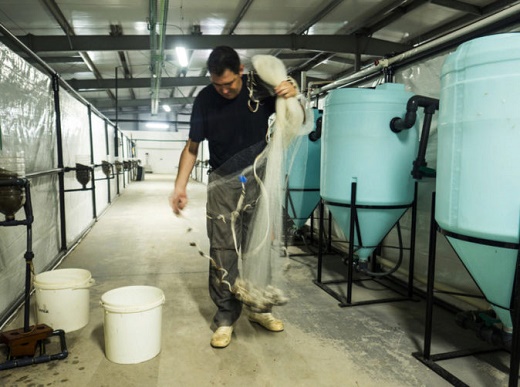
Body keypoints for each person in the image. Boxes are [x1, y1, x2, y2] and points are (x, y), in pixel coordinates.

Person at [170, 46, 298, 348]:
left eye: (229, 83)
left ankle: (260, 308)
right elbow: (192, 147)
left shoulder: (259, 87)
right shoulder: (205, 99)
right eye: (218, 85)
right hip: (221, 184)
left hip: (258, 179)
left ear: (240, 70)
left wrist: (292, 89)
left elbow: (291, 106)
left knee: (259, 246)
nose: (225, 90)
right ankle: (226, 317)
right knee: (223, 251)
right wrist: (180, 186)